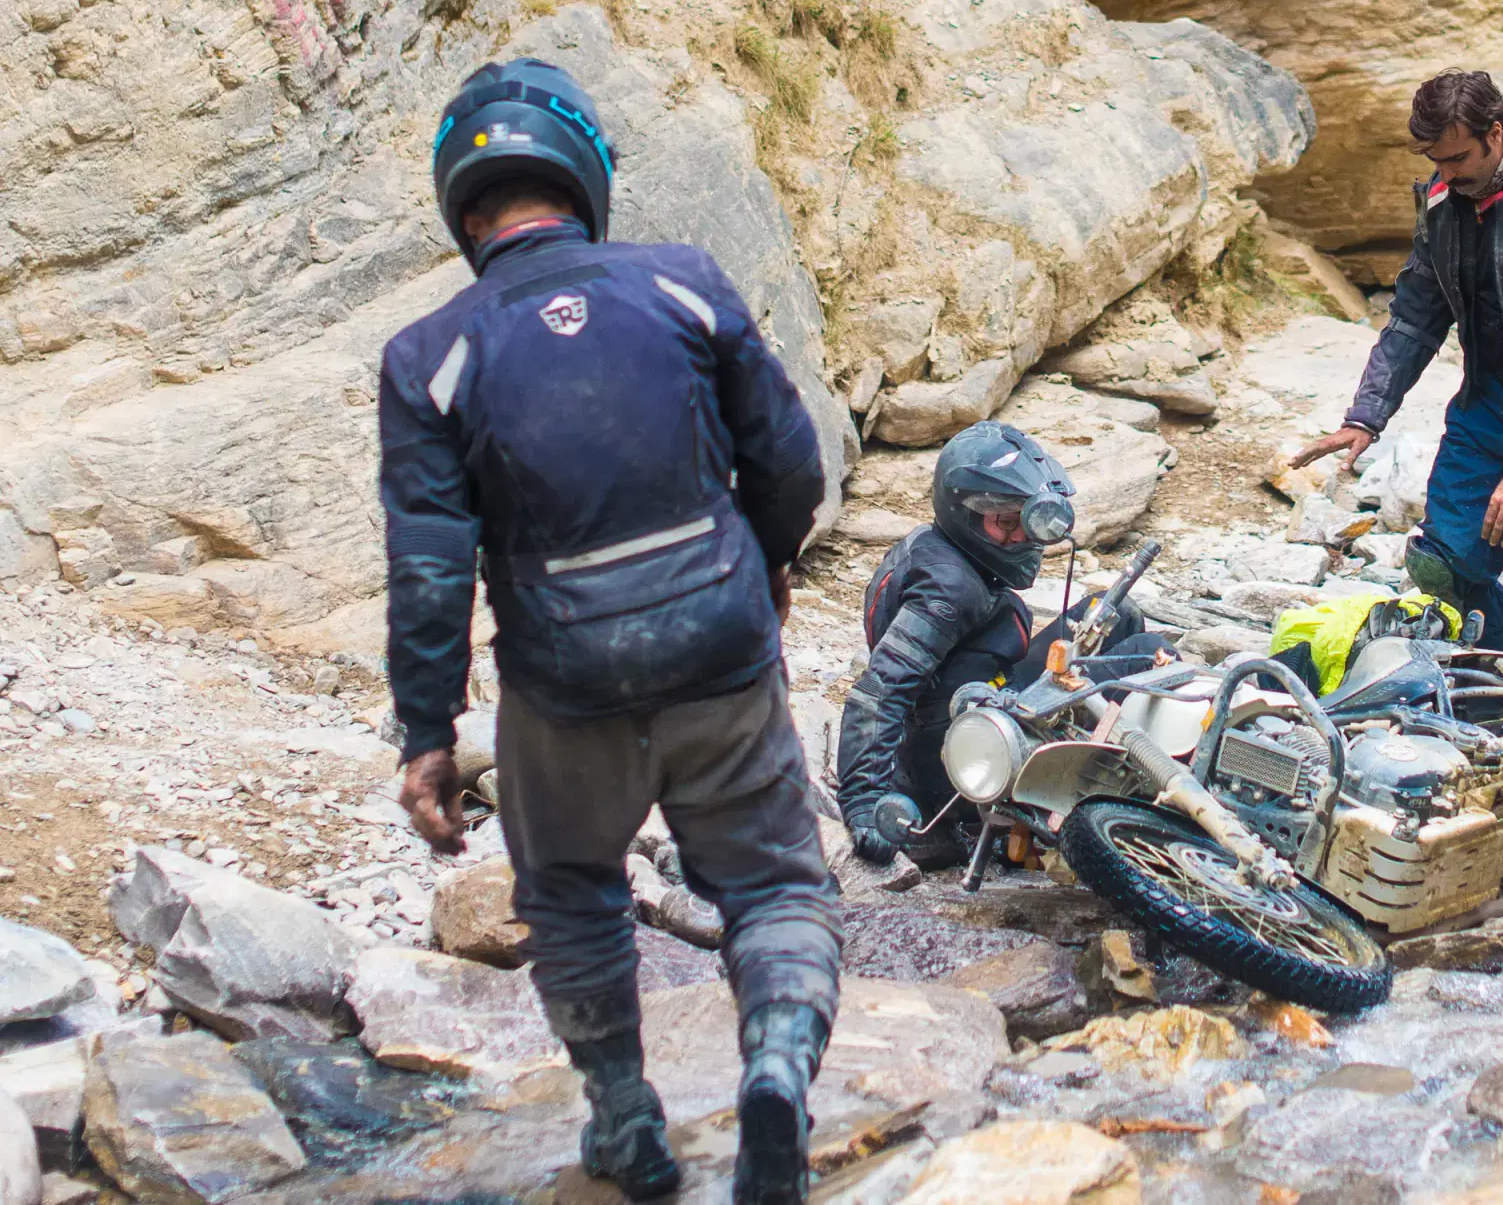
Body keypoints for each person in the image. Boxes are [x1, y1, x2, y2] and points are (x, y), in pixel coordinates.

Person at [379, 59, 839, 1205]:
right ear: (582, 177)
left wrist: (427, 736)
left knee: (574, 893)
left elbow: (430, 570)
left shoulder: (428, 355)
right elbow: (790, 463)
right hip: (719, 655)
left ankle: (627, 1122)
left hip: (562, 683)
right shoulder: (681, 285)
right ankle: (777, 1063)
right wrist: (769, 569)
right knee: (776, 887)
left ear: (462, 205)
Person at [1289, 69, 1503, 703]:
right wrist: (1366, 415)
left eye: (1457, 157)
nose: (1447, 173)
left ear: (1496, 132)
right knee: (1442, 568)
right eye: (1436, 160)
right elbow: (1415, 316)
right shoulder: (1442, 204)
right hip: (1490, 407)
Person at [836, 422, 1167, 861]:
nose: (1020, 537)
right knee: (1148, 655)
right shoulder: (948, 593)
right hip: (967, 747)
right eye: (1004, 523)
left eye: (1026, 521)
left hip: (987, 690)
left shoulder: (941, 546)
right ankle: (1150, 803)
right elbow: (879, 692)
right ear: (964, 514)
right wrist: (863, 803)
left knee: (1116, 613)